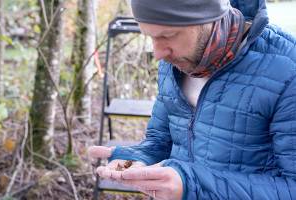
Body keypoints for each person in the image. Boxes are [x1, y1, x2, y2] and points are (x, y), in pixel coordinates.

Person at [89, 0, 296, 199]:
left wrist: (192, 186)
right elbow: (161, 138)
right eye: (149, 37)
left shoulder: (288, 70)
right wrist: (142, 156)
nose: (158, 54)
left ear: (208, 18)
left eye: (168, 35)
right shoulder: (173, 63)